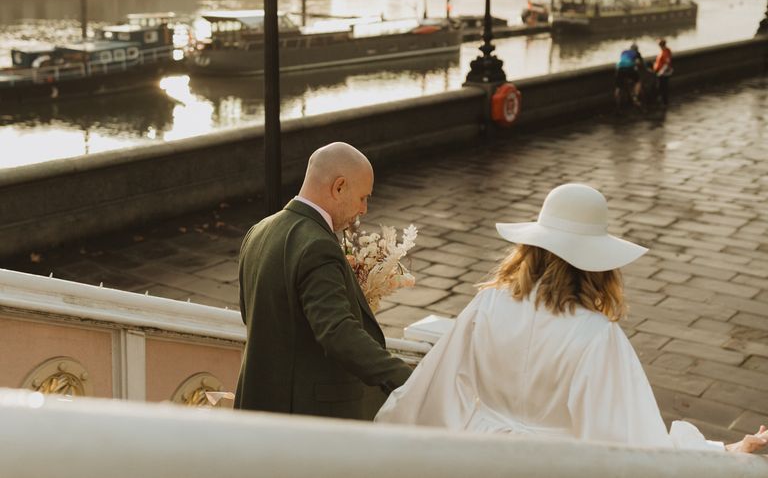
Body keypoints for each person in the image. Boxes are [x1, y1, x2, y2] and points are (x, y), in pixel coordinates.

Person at [376, 183, 767, 453]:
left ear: (533, 246)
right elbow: (631, 442)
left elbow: (432, 391)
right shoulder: (596, 336)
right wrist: (725, 451)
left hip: (482, 454)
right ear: (598, 263)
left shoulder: (488, 305)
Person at [235, 141, 412, 420]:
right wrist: (407, 378)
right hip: (307, 417)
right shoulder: (317, 245)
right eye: (363, 197)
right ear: (339, 187)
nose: (364, 209)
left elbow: (251, 314)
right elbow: (337, 332)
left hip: (258, 407)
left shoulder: (258, 231)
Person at [615, 42, 643, 107]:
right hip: (629, 68)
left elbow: (623, 60)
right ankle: (635, 97)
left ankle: (617, 103)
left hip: (619, 68)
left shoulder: (624, 52)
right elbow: (639, 62)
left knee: (618, 87)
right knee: (638, 82)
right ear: (637, 49)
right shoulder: (636, 53)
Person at [653, 38, 673, 106]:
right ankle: (663, 102)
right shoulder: (663, 51)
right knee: (662, 87)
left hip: (663, 73)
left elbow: (667, 63)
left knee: (663, 87)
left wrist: (661, 72)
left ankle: (665, 103)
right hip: (661, 72)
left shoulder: (665, 52)